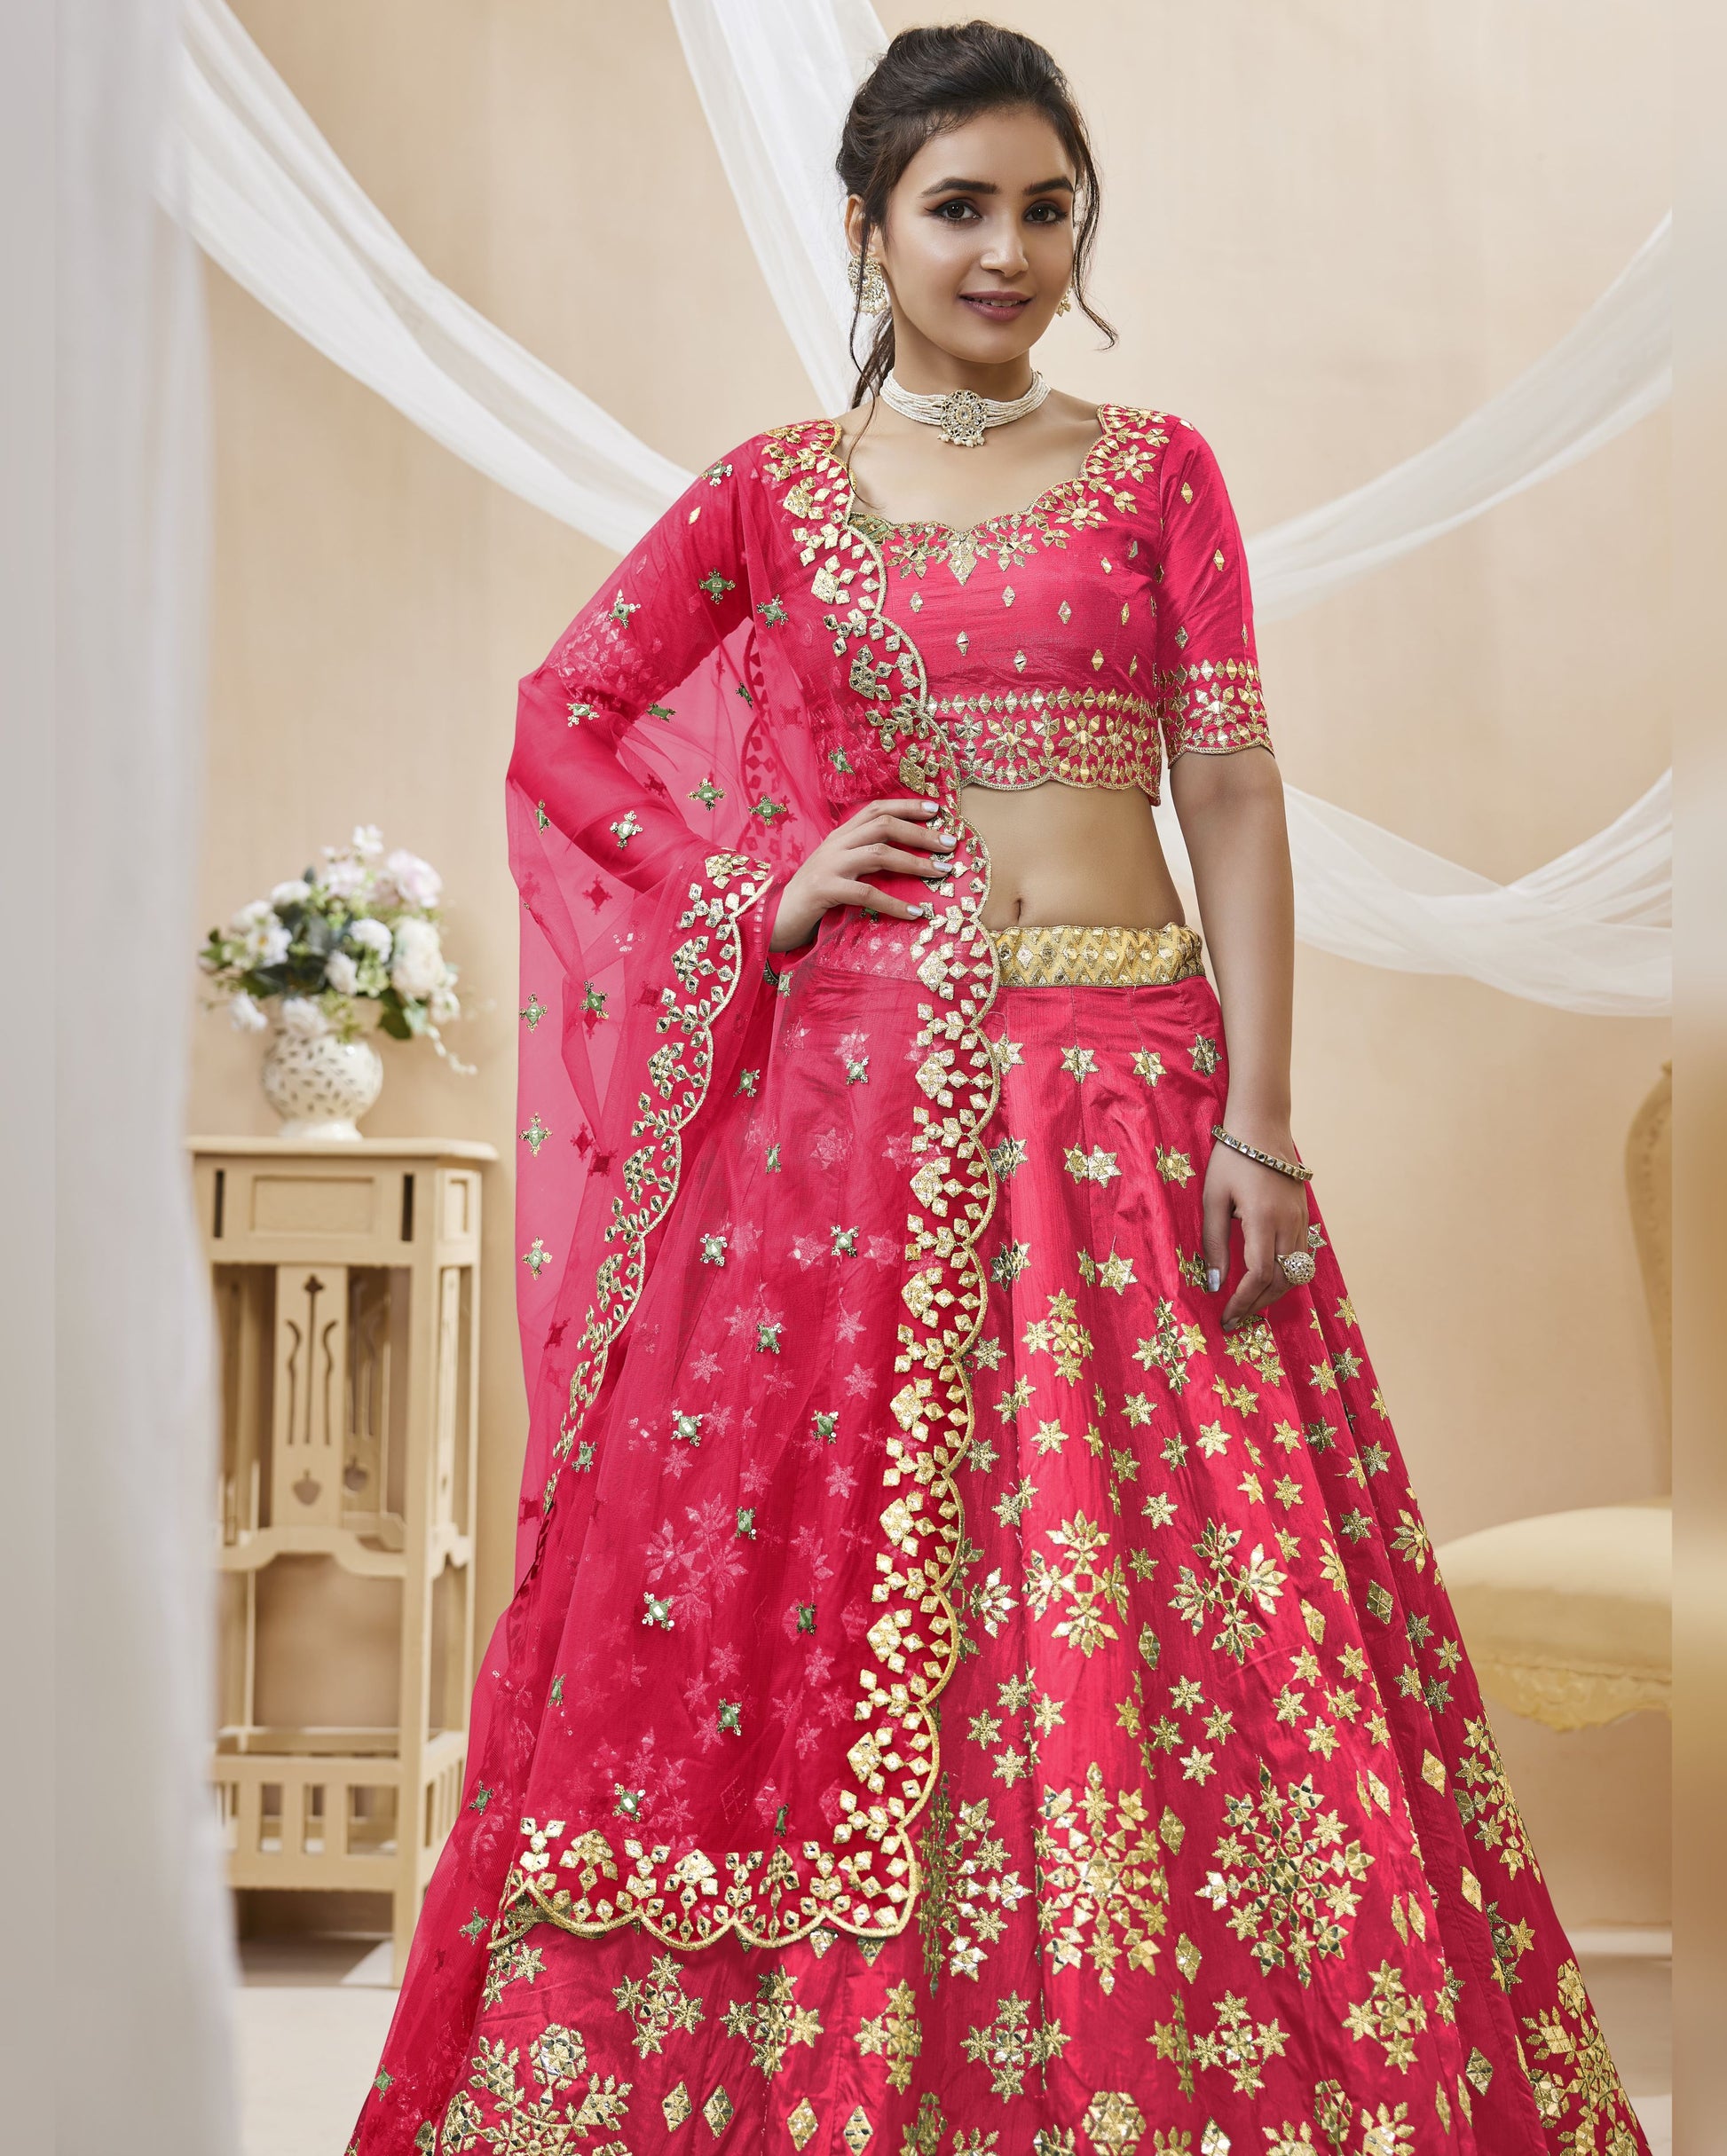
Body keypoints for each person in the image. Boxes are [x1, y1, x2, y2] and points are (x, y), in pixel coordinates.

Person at [349, 22, 1648, 2156]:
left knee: (1173, 1612)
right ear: (866, 229)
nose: (1008, 249)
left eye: (1047, 208)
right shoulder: (778, 491)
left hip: (1134, 1096)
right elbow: (565, 717)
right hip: (857, 1124)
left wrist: (1260, 1113)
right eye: (959, 206)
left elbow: (1225, 787)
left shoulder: (1157, 475)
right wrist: (756, 879)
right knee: (857, 1594)